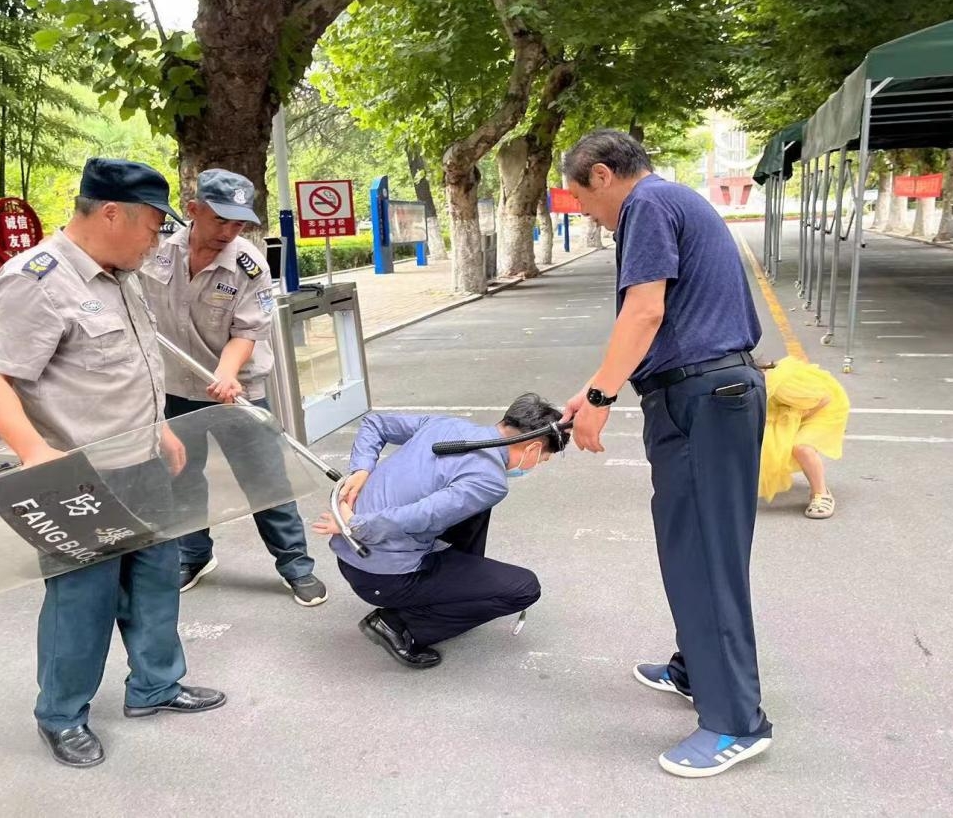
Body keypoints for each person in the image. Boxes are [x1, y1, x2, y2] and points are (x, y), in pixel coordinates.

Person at [0, 158, 226, 769]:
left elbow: (132, 367)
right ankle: (61, 715)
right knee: (80, 600)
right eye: (150, 225)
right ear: (111, 212)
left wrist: (160, 430)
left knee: (156, 581)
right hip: (78, 474)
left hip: (140, 460)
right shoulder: (38, 279)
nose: (156, 238)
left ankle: (155, 686)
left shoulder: (121, 275)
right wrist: (36, 454)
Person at [560, 130, 772, 778]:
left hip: (703, 399)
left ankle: (736, 722)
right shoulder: (672, 201)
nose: (585, 214)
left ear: (601, 175)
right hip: (703, 394)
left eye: (579, 197)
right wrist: (591, 388)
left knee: (705, 556)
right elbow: (658, 321)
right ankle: (694, 668)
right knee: (692, 546)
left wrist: (600, 396)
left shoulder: (645, 207)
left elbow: (644, 311)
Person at [139, 168, 327, 606]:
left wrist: (226, 373)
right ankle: (194, 556)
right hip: (174, 385)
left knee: (265, 480)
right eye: (221, 220)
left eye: (239, 222)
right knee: (182, 476)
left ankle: (296, 565)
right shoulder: (155, 250)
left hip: (237, 388)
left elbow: (247, 331)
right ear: (193, 210)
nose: (230, 231)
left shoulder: (249, 264)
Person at [310, 394, 564, 669]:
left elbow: (375, 423)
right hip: (381, 577)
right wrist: (356, 524)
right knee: (524, 588)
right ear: (533, 448)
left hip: (353, 556)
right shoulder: (489, 480)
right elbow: (421, 515)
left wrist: (361, 469)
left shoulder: (448, 426)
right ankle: (397, 626)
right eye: (543, 458)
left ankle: (447, 588)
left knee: (474, 507)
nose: (539, 464)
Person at [757, 355, 850, 518]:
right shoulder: (761, 383)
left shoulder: (781, 384)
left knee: (801, 447)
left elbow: (823, 399)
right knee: (763, 441)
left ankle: (821, 493)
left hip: (824, 410)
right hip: (793, 410)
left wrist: (793, 421)